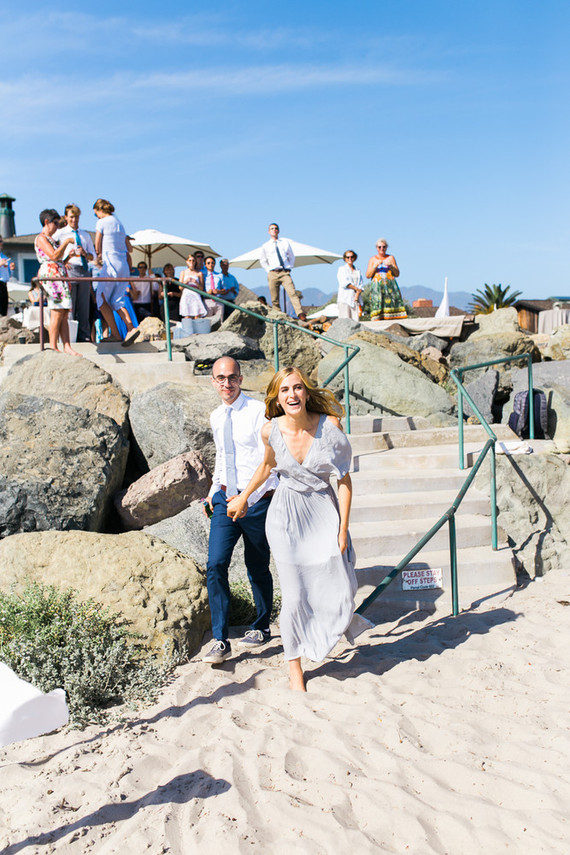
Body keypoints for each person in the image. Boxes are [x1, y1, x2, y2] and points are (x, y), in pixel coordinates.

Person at [227, 366, 358, 692]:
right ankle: (295, 666)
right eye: (285, 390)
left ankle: (325, 635)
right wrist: (244, 496)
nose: (292, 395)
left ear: (306, 391)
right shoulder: (270, 431)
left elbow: (343, 481)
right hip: (285, 516)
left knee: (339, 585)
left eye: (297, 388)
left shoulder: (331, 428)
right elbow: (268, 466)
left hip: (322, 512)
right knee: (295, 595)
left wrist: (343, 528)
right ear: (277, 397)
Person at [203, 356, 278, 665]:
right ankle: (220, 639)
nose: (227, 383)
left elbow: (270, 463)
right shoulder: (216, 416)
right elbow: (222, 456)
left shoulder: (259, 411)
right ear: (213, 382)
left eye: (232, 377)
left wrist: (249, 498)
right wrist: (212, 491)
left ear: (241, 379)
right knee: (215, 563)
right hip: (224, 499)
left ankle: (261, 625)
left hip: (257, 500)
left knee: (257, 565)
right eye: (220, 378)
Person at [34, 208, 81, 356]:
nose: (57, 226)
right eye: (56, 223)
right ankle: (53, 346)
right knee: (57, 310)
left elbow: (58, 259)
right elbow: (53, 256)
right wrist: (66, 242)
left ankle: (66, 345)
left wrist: (68, 257)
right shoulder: (41, 238)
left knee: (64, 311)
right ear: (47, 222)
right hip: (51, 275)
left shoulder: (52, 239)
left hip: (58, 273)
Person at [93, 198, 139, 345]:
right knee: (116, 300)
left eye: (96, 214)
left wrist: (97, 256)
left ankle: (116, 333)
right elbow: (129, 248)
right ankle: (131, 328)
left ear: (99, 211)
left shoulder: (102, 222)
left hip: (110, 264)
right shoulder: (119, 223)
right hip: (123, 265)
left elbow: (97, 243)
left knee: (100, 299)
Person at [55, 204, 96, 342]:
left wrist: (85, 254)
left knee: (84, 307)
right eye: (71, 217)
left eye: (76, 217)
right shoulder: (60, 234)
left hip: (83, 270)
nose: (74, 220)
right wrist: (66, 258)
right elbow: (53, 253)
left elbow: (93, 257)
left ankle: (84, 336)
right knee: (70, 306)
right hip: (69, 270)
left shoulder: (85, 235)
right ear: (66, 218)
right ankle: (69, 337)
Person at [259, 223, 306, 320]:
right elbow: (263, 260)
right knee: (274, 297)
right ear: (269, 231)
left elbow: (291, 256)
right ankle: (278, 315)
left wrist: (289, 267)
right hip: (273, 273)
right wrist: (268, 270)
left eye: (276, 228)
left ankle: (300, 313)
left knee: (292, 292)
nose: (274, 230)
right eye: (272, 229)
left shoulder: (284, 243)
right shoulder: (265, 246)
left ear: (278, 231)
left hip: (284, 272)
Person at [365, 238, 407, 321]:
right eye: (379, 247)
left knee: (392, 303)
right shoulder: (373, 259)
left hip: (390, 287)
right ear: (376, 248)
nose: (382, 249)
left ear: (386, 247)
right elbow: (368, 275)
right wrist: (375, 266)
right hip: (377, 287)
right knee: (378, 303)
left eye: (384, 247)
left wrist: (391, 266)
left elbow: (397, 274)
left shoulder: (391, 258)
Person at [337, 250, 363, 320]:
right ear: (345, 259)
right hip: (345, 298)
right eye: (347, 257)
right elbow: (344, 283)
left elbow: (361, 284)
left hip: (355, 299)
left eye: (351, 257)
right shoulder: (342, 269)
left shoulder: (358, 270)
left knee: (355, 320)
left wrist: (358, 292)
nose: (350, 259)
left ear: (354, 258)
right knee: (345, 320)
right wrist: (356, 288)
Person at [178, 254, 206, 319]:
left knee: (197, 315)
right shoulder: (183, 272)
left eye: (193, 261)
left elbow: (201, 288)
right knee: (187, 316)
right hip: (186, 295)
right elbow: (180, 287)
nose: (191, 262)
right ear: (187, 262)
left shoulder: (199, 273)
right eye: (190, 260)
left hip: (195, 294)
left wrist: (196, 282)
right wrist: (186, 282)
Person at [0, 237, 15, 317]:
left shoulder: (4, 257)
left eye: (1, 241)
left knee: (3, 309)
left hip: (4, 284)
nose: (1, 243)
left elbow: (8, 275)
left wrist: (12, 269)